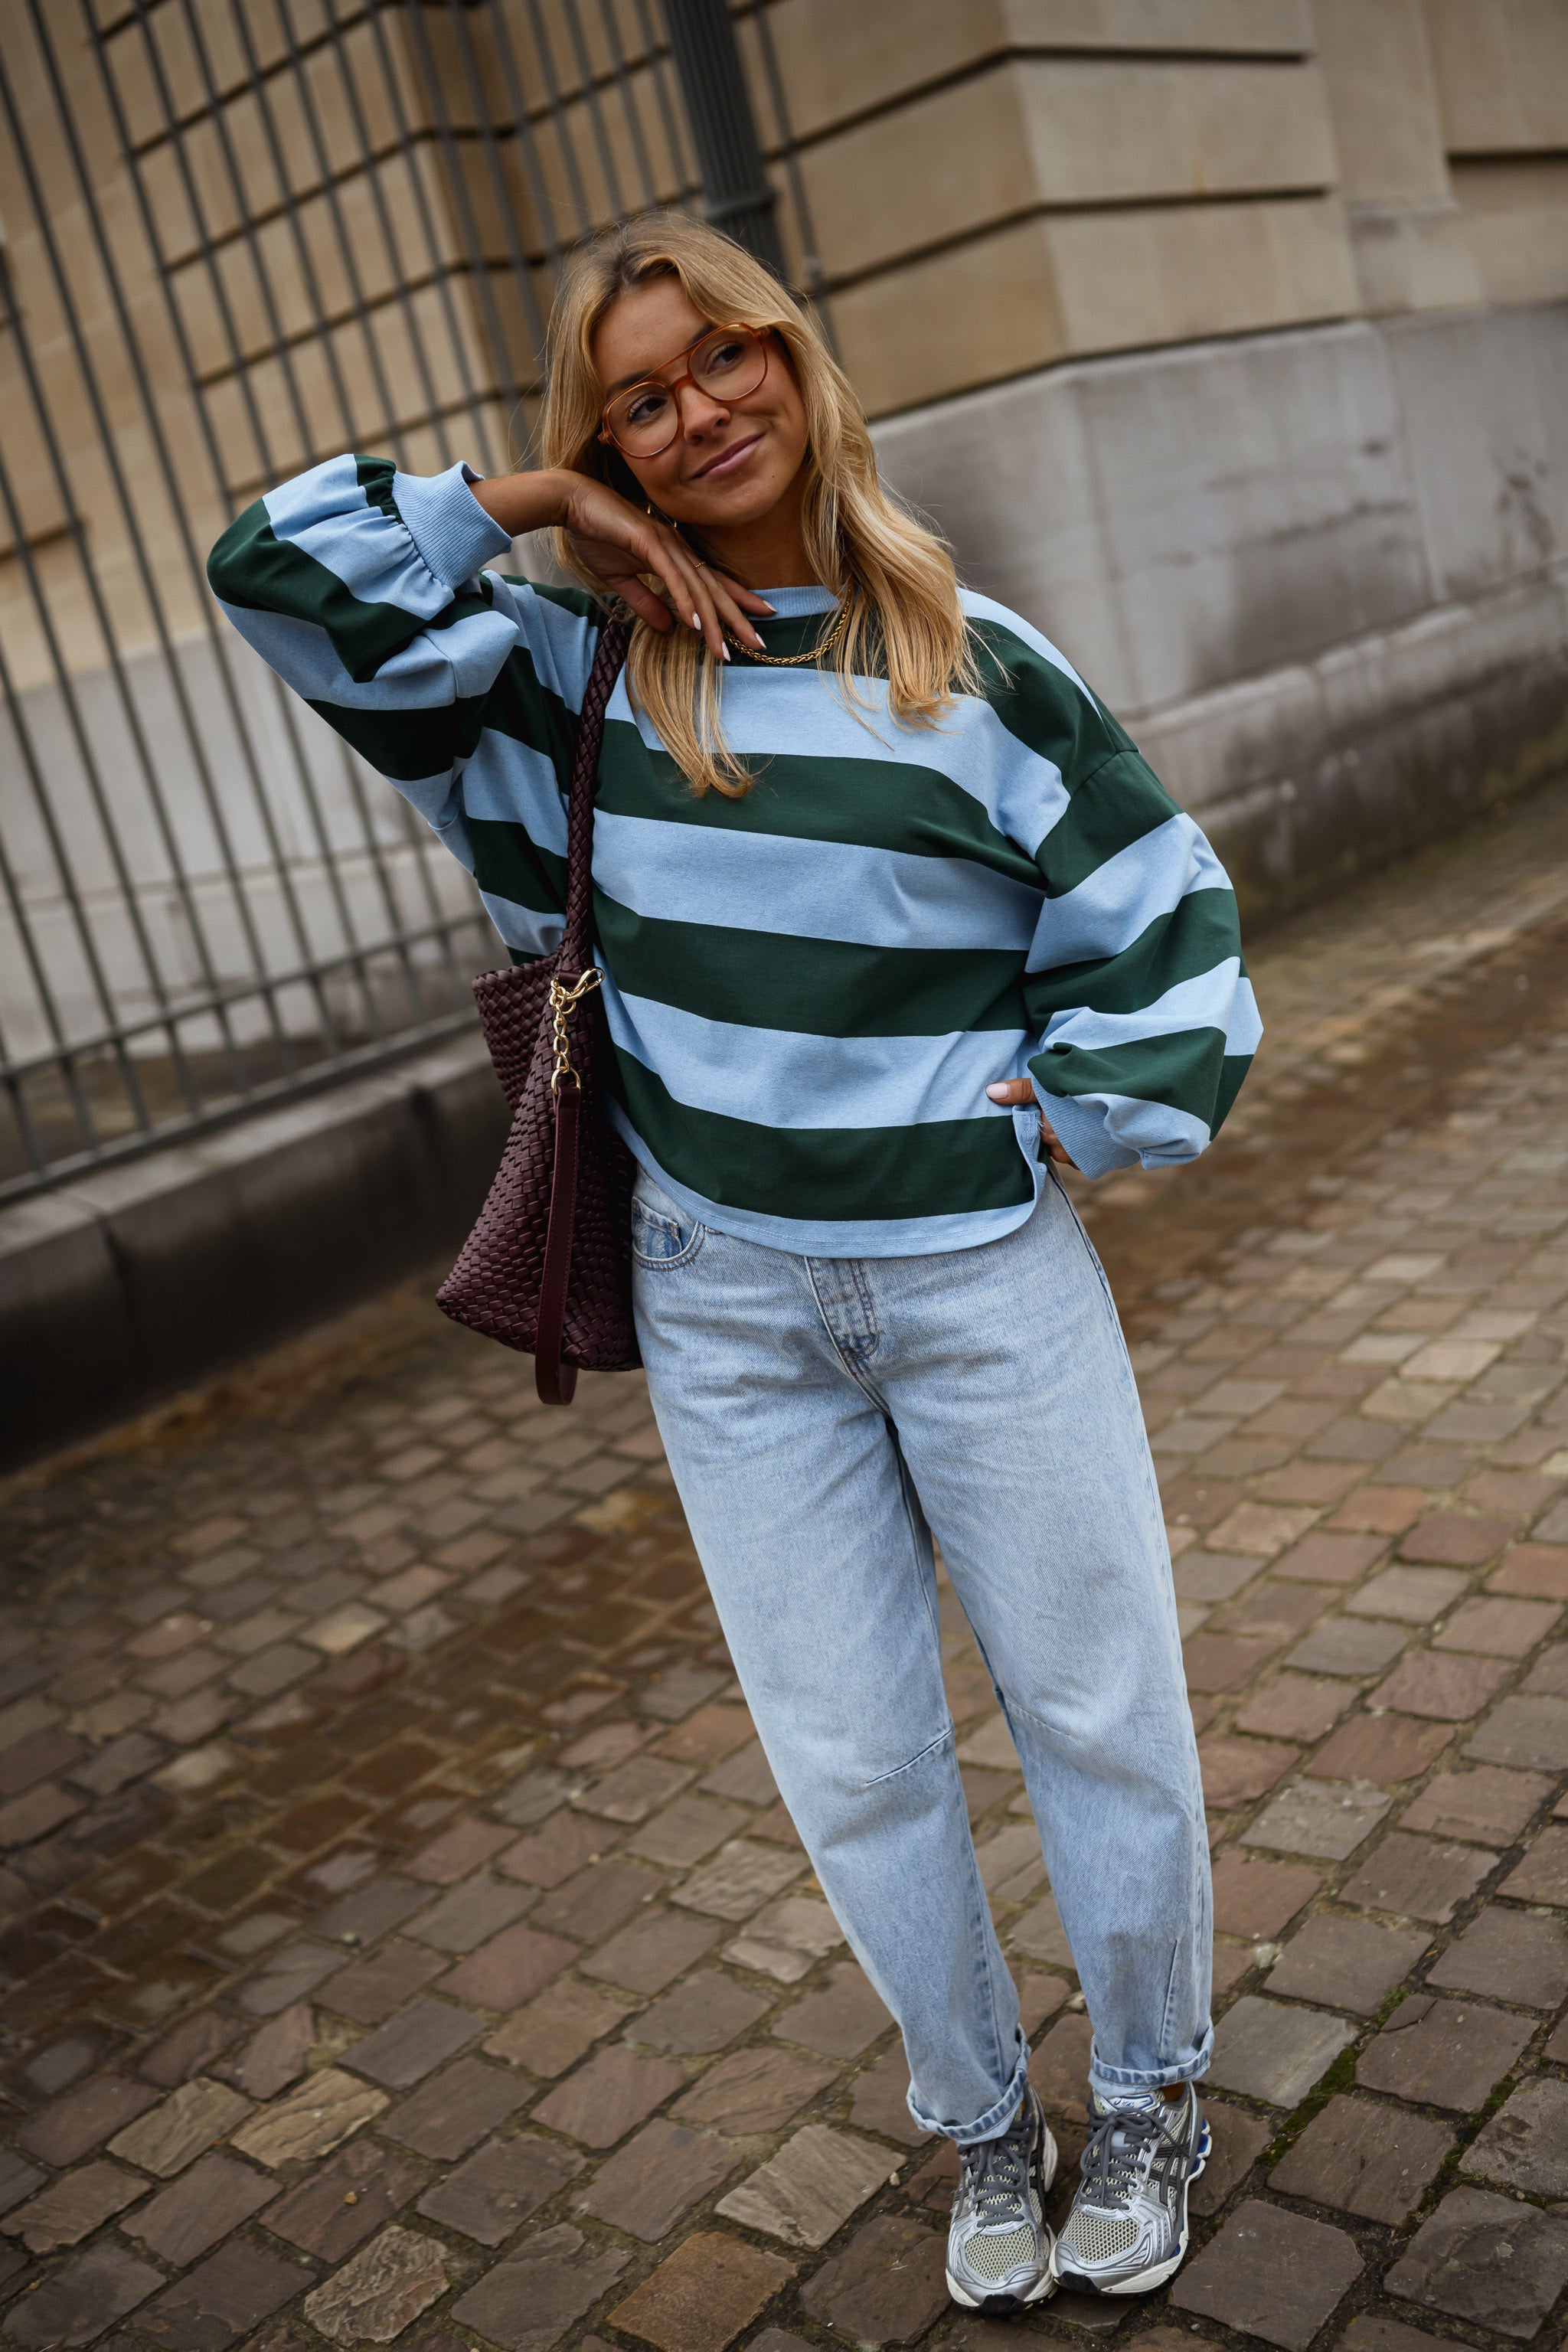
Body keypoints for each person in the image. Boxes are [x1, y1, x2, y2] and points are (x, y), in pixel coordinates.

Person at [209, 210, 1257, 2312]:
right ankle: (979, 2121)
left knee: (1095, 1706)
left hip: (982, 1285)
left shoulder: (976, 660)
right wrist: (531, 508)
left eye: (726, 362)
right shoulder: (547, 679)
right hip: (726, 1309)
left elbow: (1168, 933)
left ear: (795, 355)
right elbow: (276, 571)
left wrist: (1064, 1114)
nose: (699, 413)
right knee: (854, 1752)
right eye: (639, 400)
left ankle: (1148, 2086)